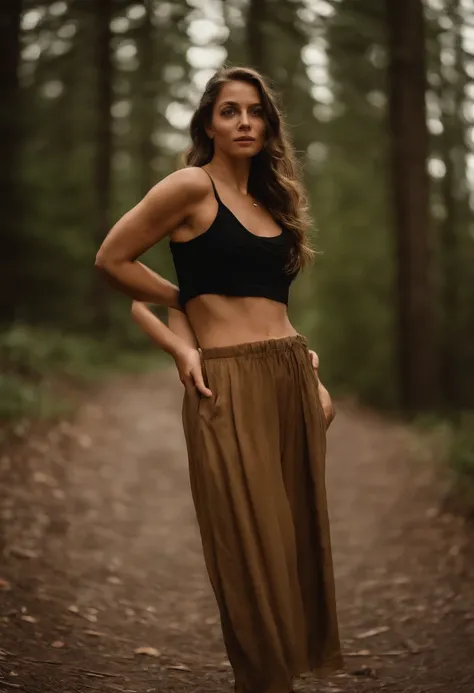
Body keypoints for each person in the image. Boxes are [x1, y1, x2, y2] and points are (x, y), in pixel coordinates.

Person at [95, 65, 343, 693]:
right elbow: (112, 261)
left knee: (291, 546)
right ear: (208, 121)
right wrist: (186, 316)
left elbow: (274, 306)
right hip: (226, 385)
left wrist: (307, 370)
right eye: (230, 110)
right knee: (249, 553)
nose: (245, 122)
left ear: (269, 124)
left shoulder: (271, 201)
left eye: (256, 112)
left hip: (292, 373)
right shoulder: (189, 187)